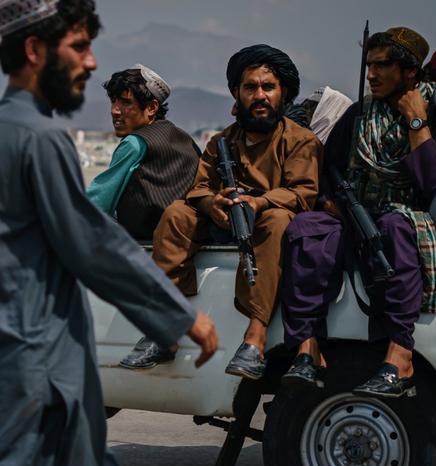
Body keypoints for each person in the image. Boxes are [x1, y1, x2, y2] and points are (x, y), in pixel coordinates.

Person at [0, 0, 218, 466]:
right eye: (78, 46)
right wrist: (178, 314)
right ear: (35, 50)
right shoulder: (36, 137)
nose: (91, 63)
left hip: (31, 365)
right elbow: (89, 240)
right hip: (31, 373)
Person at [120, 44, 321, 371]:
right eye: (250, 87)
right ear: (236, 93)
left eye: (268, 87)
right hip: (222, 221)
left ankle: (255, 338)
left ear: (283, 93)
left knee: (279, 219)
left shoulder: (300, 141)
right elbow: (198, 188)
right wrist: (212, 203)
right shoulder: (222, 142)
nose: (260, 95)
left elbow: (302, 193)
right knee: (176, 215)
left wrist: (257, 202)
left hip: (264, 227)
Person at [280, 27, 436, 398]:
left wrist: (416, 123)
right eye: (369, 64)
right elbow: (329, 169)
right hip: (354, 211)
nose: (372, 74)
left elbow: (432, 184)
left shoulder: (435, 112)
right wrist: (331, 205)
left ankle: (400, 356)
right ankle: (307, 351)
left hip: (401, 213)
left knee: (393, 228)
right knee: (307, 229)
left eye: (383, 65)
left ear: (410, 72)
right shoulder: (359, 114)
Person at [86, 65, 200, 240]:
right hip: (183, 237)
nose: (114, 110)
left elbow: (99, 201)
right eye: (113, 101)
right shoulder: (186, 139)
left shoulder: (135, 143)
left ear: (152, 108)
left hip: (142, 240)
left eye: (125, 102)